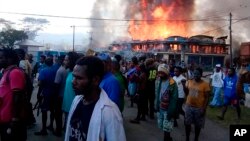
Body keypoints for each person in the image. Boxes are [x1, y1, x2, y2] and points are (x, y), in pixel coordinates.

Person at [64, 56, 126, 141]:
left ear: (95, 80)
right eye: (74, 77)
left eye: (79, 78)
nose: (73, 82)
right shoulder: (76, 101)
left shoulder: (110, 112)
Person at [0, 48, 27, 141]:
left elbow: (18, 96)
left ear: (9, 59)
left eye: (1, 58)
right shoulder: (6, 72)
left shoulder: (15, 72)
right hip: (4, 118)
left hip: (11, 120)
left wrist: (15, 119)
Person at [184, 67, 210, 141]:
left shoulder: (205, 84)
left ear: (201, 75)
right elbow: (186, 93)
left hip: (199, 108)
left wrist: (204, 108)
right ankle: (187, 138)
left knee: (197, 125)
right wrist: (184, 86)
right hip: (189, 106)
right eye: (194, 73)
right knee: (187, 123)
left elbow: (207, 97)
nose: (195, 75)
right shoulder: (189, 81)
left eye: (197, 74)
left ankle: (196, 138)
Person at [155, 64, 178, 141]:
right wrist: (157, 106)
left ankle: (167, 139)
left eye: (162, 72)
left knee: (167, 128)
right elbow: (158, 94)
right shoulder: (159, 80)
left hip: (168, 110)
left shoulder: (172, 83)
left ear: (167, 72)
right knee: (163, 127)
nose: (160, 74)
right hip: (161, 108)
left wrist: (170, 111)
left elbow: (174, 99)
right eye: (159, 72)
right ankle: (168, 138)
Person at [34, 57, 57, 136]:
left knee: (44, 111)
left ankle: (44, 129)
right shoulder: (55, 70)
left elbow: (40, 83)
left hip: (45, 93)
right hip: (53, 93)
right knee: (52, 110)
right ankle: (51, 125)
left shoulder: (43, 71)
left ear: (45, 63)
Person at [62, 52, 79, 130]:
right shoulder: (69, 72)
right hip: (67, 107)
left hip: (73, 108)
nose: (64, 62)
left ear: (72, 61)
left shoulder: (76, 75)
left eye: (66, 60)